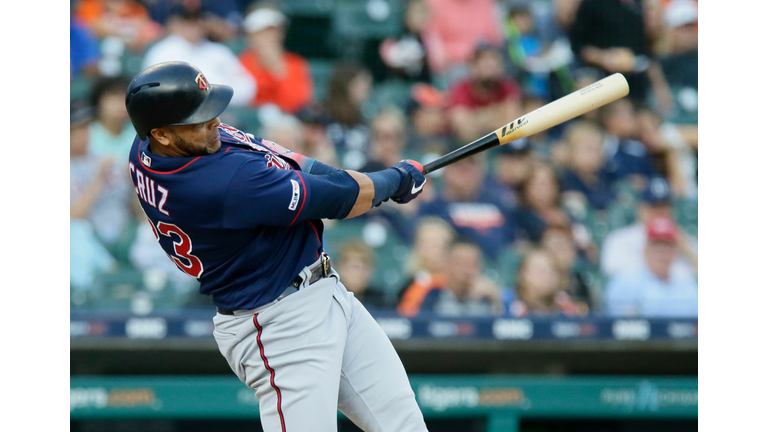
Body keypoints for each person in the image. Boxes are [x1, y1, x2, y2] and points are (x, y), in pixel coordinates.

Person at [124, 61, 428, 431]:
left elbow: (295, 163)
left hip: (325, 294)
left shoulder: (147, 147)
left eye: (210, 111)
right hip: (278, 324)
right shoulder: (220, 185)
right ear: (164, 134)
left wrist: (372, 179)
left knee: (404, 423)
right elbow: (341, 200)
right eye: (199, 120)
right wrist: (395, 179)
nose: (215, 123)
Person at [141, 5, 256, 106]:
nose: (193, 25)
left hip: (226, 108)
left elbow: (247, 86)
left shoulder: (219, 51)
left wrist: (219, 101)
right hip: (180, 111)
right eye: (187, 20)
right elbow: (153, 90)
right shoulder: (162, 52)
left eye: (197, 20)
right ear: (175, 23)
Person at [418, 154, 517, 261]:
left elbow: (515, 242)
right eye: (458, 165)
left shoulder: (498, 203)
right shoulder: (432, 207)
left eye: (471, 164)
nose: (465, 170)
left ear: (481, 169)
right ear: (446, 170)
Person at [600, 177, 698, 280]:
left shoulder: (683, 240)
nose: (660, 212)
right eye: (654, 207)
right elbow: (614, 278)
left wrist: (687, 251)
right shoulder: (620, 240)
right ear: (641, 209)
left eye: (665, 206)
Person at [604, 216, 698, 317]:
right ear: (645, 251)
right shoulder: (624, 282)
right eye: (656, 248)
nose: (661, 254)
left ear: (675, 252)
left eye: (666, 248)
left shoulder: (688, 285)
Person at [398, 239, 502, 316]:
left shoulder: (487, 294)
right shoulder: (429, 288)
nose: (468, 270)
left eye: (473, 264)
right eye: (462, 263)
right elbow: (406, 320)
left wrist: (496, 299)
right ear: (447, 264)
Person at [239, 6, 313, 113]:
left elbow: (298, 102)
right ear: (251, 36)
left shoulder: (296, 62)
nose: (271, 37)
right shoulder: (240, 64)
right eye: (263, 33)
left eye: (275, 32)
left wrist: (277, 68)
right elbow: (246, 100)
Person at [447, 43, 523, 143]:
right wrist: (497, 113)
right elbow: (465, 128)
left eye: (494, 60)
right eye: (484, 61)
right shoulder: (461, 89)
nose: (490, 65)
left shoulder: (508, 87)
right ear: (473, 66)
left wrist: (477, 117)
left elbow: (513, 126)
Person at [421, 0, 504, 80]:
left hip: (481, 60)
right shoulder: (434, 4)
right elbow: (433, 40)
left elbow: (494, 39)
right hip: (452, 64)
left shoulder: (485, 3)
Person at [505, 248, 583, 317]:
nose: (548, 275)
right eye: (540, 270)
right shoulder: (507, 303)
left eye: (552, 270)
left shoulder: (564, 303)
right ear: (523, 274)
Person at [323, 63, 374, 170]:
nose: (366, 90)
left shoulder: (365, 118)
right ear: (346, 86)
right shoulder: (322, 115)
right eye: (360, 84)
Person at [379, 0, 434, 83]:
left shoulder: (428, 39)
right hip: (397, 84)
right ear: (406, 14)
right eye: (418, 14)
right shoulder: (394, 36)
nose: (422, 18)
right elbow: (390, 61)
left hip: (422, 85)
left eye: (424, 14)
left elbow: (435, 65)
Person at [335, 241, 389, 309]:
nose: (358, 273)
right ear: (341, 267)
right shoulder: (330, 296)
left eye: (363, 267)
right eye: (353, 266)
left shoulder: (379, 299)